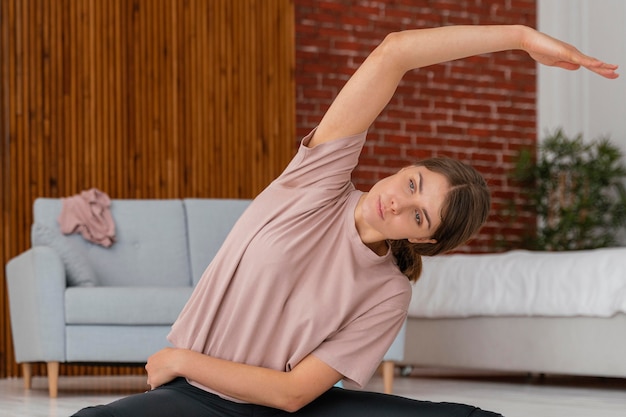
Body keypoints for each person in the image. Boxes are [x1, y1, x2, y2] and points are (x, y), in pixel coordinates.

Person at [73, 24, 618, 417]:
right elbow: (394, 53)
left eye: (420, 214)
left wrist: (180, 356)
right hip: (192, 398)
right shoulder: (319, 181)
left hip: (281, 407)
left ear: (425, 238)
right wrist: (521, 37)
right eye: (412, 184)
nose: (400, 204)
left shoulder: (389, 293)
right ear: (404, 168)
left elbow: (291, 395)